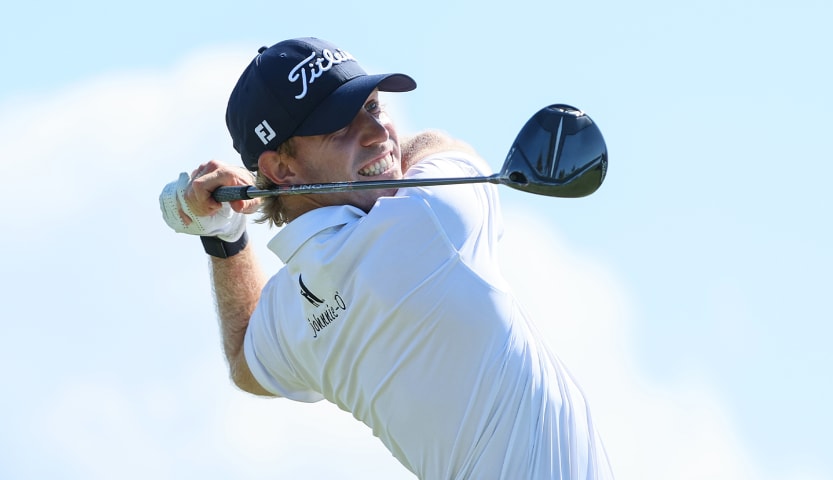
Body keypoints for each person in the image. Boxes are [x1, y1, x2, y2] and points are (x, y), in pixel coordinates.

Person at [160, 37, 614, 479]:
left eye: (373, 108)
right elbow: (441, 144)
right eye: (341, 126)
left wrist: (224, 236)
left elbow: (245, 361)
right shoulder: (433, 218)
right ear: (281, 169)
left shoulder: (294, 311)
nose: (378, 134)